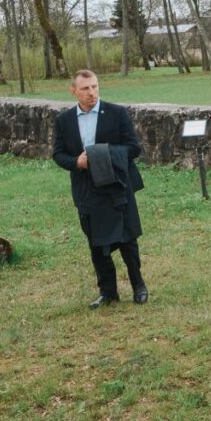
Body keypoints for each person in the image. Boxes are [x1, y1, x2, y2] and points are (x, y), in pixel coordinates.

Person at [52, 69, 149, 309]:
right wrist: (77, 162)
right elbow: (58, 154)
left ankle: (139, 286)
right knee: (96, 243)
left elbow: (133, 148)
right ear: (73, 91)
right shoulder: (63, 120)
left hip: (117, 185)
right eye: (85, 88)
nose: (92, 92)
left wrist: (102, 155)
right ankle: (108, 292)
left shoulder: (117, 113)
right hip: (87, 189)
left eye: (95, 86)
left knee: (127, 239)